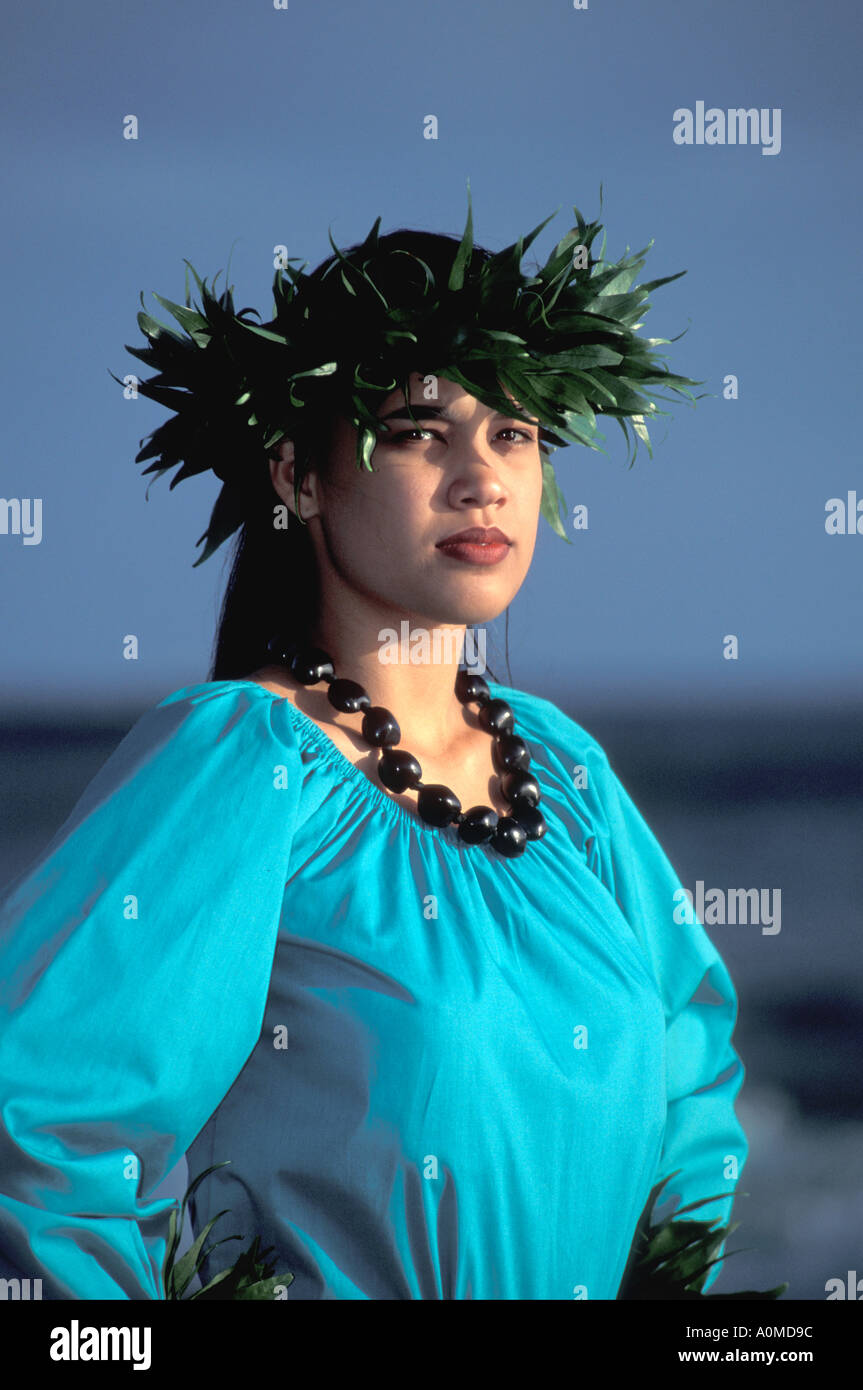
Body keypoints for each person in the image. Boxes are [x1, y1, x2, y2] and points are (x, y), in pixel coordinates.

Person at [0, 192, 748, 1300]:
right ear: (297, 475)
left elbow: (691, 1091)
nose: (480, 475)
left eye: (513, 432)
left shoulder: (564, 771)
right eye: (416, 431)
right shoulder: (242, 760)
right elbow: (45, 1127)